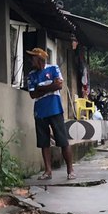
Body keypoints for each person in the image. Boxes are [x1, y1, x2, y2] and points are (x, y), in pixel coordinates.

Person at [26, 48, 75, 180]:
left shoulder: (53, 68)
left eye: (33, 58)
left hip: (55, 109)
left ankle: (70, 170)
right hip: (40, 111)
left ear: (39, 59)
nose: (31, 60)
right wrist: (49, 86)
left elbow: (59, 86)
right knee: (43, 142)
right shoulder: (31, 75)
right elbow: (32, 94)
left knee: (63, 140)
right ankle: (48, 171)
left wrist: (41, 88)